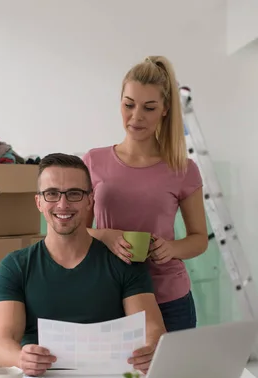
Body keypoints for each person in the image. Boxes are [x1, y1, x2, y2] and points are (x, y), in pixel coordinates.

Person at [0, 153, 166, 377]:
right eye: (52, 194)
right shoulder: (15, 266)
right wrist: (21, 358)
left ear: (89, 200)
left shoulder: (124, 261)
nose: (63, 204)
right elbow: (3, 342)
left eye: (74, 194)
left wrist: (151, 348)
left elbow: (151, 327)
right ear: (39, 202)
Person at [83, 55, 208, 332]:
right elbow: (73, 232)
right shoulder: (93, 161)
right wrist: (105, 235)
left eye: (149, 108)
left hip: (169, 299)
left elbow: (199, 239)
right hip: (107, 295)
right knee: (113, 377)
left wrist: (171, 248)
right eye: (129, 105)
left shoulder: (183, 169)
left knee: (171, 377)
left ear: (164, 110)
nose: (136, 117)